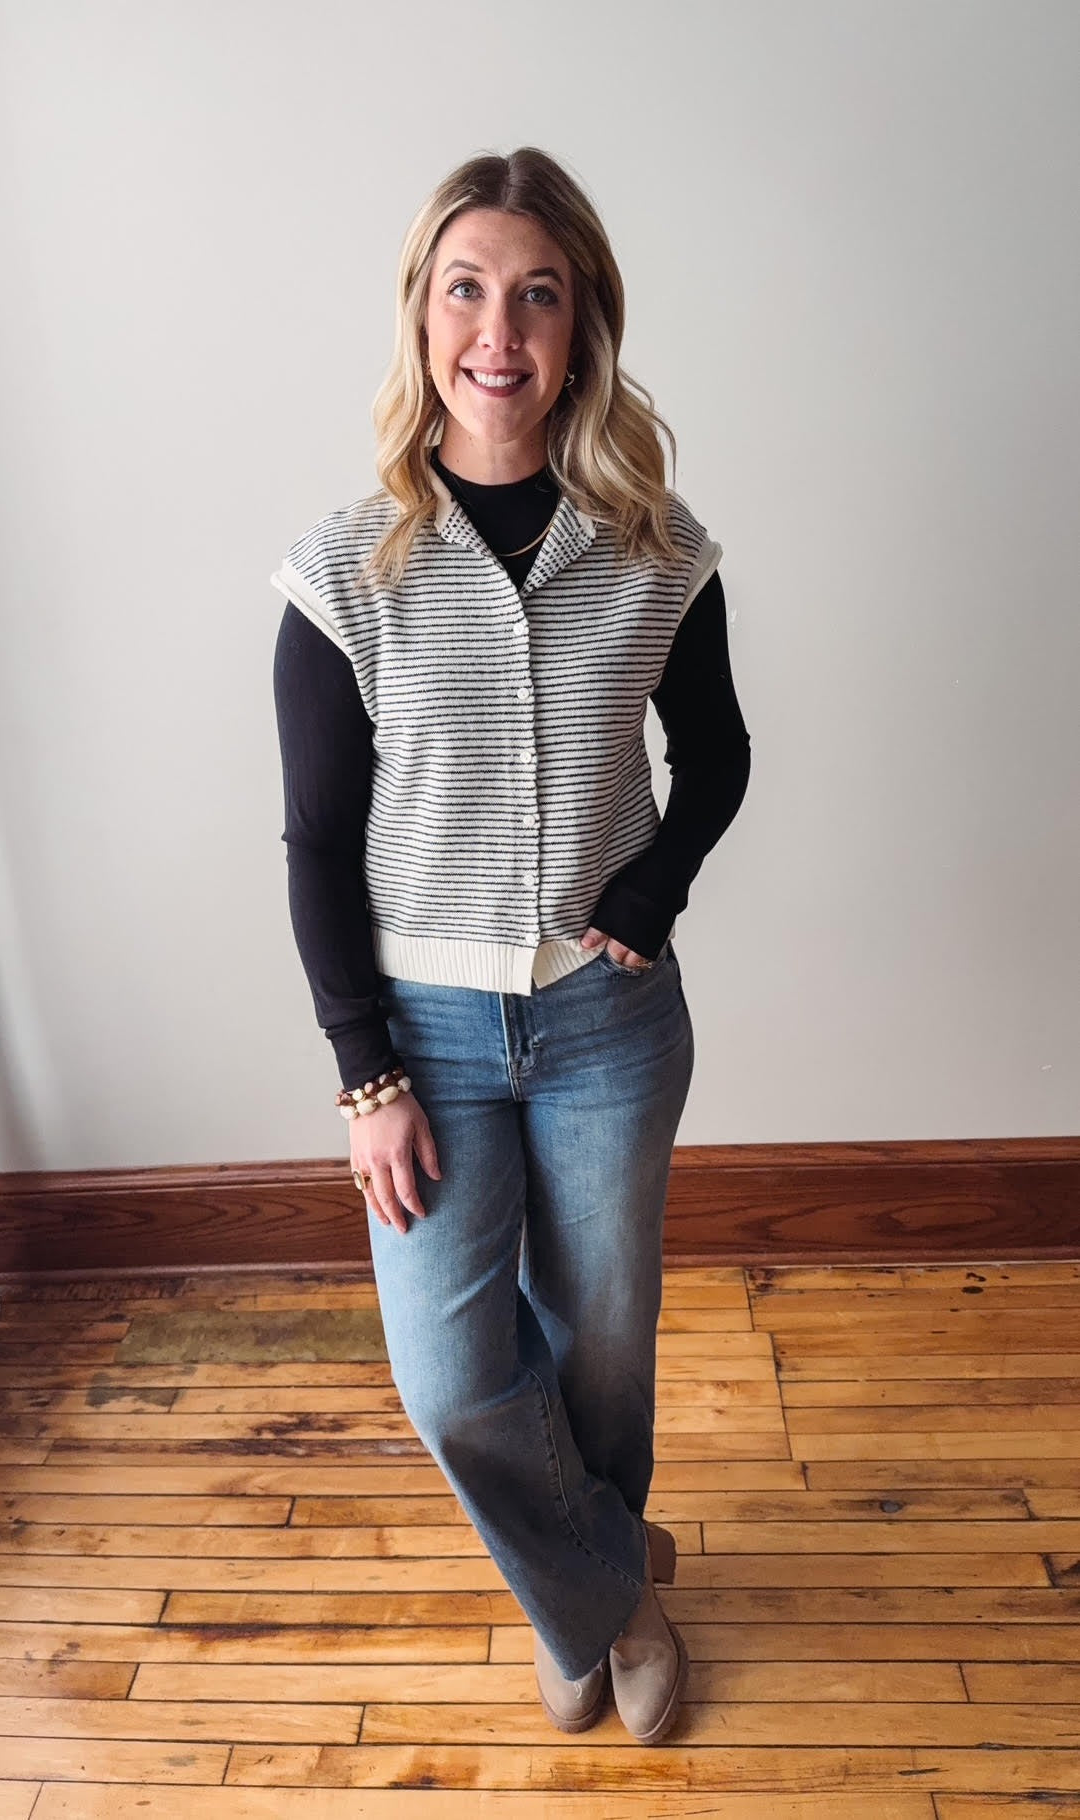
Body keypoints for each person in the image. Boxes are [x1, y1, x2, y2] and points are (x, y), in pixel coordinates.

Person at [271, 145, 750, 1745]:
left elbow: (721, 756)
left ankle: (587, 1596)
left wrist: (652, 886)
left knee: (602, 1354)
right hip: (424, 1043)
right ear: (420, 320)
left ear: (580, 325)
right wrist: (365, 1079)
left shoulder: (656, 546)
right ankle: (609, 1591)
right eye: (465, 289)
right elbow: (318, 850)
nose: (499, 330)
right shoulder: (345, 574)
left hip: (609, 1028)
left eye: (536, 294)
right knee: (451, 1374)